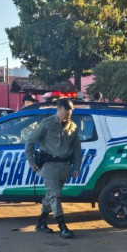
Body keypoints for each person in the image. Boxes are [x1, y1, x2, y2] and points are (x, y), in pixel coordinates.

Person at [25, 98, 83, 238]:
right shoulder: (47, 124)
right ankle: (62, 226)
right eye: (66, 112)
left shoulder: (72, 126)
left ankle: (41, 223)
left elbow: (76, 148)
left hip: (64, 166)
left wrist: (77, 166)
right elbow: (30, 141)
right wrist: (31, 160)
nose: (69, 115)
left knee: (50, 195)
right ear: (59, 110)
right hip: (49, 166)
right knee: (55, 195)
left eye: (70, 112)